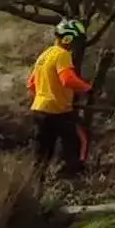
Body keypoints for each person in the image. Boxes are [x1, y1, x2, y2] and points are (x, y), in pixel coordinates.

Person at [27, 17, 95, 180]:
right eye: (76, 40)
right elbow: (67, 79)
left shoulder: (44, 55)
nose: (76, 45)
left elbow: (31, 84)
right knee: (78, 142)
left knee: (42, 153)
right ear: (68, 38)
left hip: (38, 110)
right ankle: (73, 180)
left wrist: (48, 93)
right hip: (58, 111)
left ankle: (36, 186)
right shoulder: (62, 54)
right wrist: (88, 88)